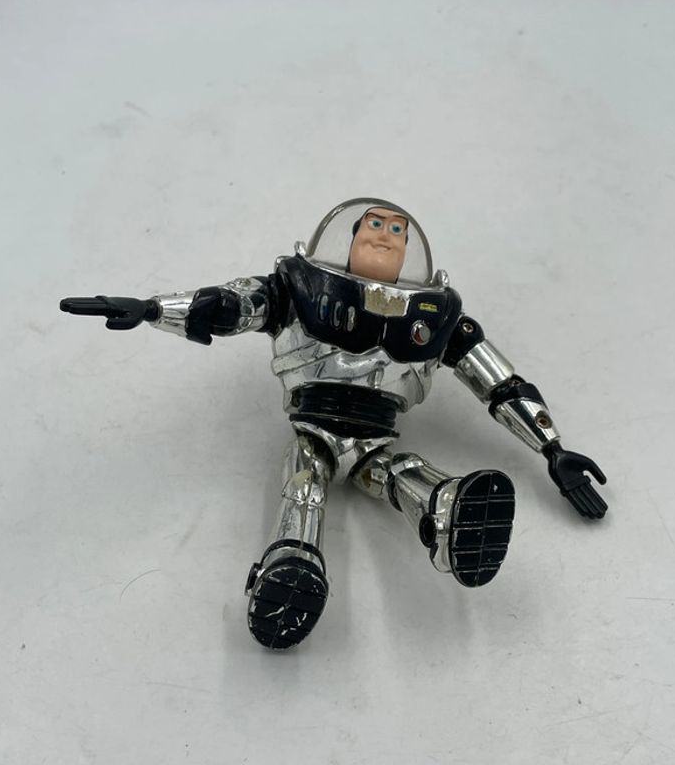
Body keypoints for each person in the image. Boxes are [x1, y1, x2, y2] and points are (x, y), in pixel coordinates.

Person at [60, 198, 608, 650]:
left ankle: (446, 506)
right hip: (314, 425)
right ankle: (292, 563)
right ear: (349, 237)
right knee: (306, 479)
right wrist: (154, 309)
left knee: (397, 471)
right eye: (375, 226)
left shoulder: (438, 316)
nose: (386, 237)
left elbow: (501, 383)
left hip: (378, 433)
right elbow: (228, 306)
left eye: (397, 231)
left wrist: (553, 448)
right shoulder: (297, 289)